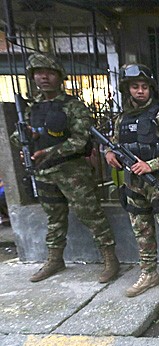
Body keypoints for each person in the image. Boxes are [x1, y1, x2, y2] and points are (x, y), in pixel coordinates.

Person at [9, 53, 119, 283]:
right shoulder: (30, 109)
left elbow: (80, 140)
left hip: (73, 173)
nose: (44, 78)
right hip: (44, 172)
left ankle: (110, 259)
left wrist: (48, 152)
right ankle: (55, 259)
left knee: (91, 215)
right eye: (39, 73)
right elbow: (17, 138)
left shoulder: (73, 107)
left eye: (49, 73)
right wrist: (26, 139)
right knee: (54, 218)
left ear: (59, 77)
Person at [105, 63, 159, 298]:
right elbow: (114, 142)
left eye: (144, 87)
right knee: (141, 232)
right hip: (133, 183)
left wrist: (150, 165)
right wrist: (109, 154)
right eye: (135, 87)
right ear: (127, 89)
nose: (140, 91)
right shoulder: (121, 119)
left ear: (150, 89)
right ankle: (149, 272)